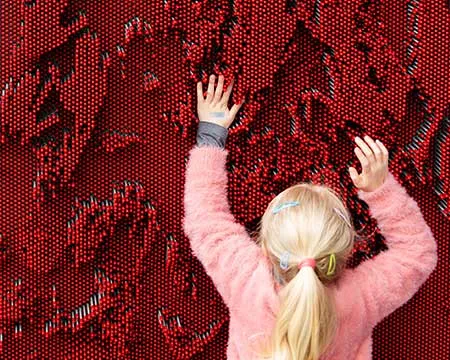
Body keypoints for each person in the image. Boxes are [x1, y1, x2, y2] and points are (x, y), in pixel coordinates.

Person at [183, 74, 438, 360]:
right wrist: (380, 190)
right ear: (345, 252)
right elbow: (418, 254)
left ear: (266, 246)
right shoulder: (358, 299)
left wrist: (211, 135)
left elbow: (205, 219)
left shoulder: (245, 279)